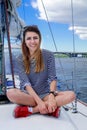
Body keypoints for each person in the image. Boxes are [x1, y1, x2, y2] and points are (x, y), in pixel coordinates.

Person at [6, 25, 76, 118]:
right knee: (10, 93)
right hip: (28, 95)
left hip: (45, 93)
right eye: (29, 38)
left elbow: (52, 78)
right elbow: (26, 83)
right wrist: (39, 102)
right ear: (25, 41)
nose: (32, 41)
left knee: (71, 95)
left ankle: (31, 110)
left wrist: (51, 96)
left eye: (35, 38)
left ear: (39, 39)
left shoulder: (49, 55)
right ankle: (48, 109)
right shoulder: (20, 59)